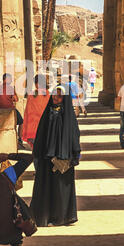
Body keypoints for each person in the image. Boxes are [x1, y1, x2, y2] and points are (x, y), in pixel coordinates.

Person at [30, 84, 81, 227]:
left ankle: (62, 217)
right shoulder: (48, 113)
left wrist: (73, 155)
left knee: (60, 189)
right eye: (54, 95)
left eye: (59, 96)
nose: (55, 98)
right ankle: (46, 216)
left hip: (62, 158)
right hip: (47, 157)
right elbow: (41, 133)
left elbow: (73, 135)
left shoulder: (68, 116)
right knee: (47, 187)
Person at [0, 73, 24, 148]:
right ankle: (19, 139)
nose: (11, 81)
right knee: (21, 122)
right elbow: (16, 99)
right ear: (6, 79)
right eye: (10, 79)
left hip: (0, 110)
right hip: (10, 110)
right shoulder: (10, 88)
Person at [22, 74, 50, 149]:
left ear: (37, 83)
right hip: (45, 128)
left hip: (33, 129)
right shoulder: (49, 94)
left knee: (36, 151)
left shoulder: (32, 95)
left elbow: (27, 113)